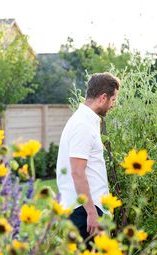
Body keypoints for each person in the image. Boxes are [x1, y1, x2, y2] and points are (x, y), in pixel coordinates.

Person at [56, 72, 120, 246]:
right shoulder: (82, 125)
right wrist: (92, 213)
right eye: (113, 100)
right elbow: (77, 172)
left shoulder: (86, 121)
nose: (113, 105)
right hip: (84, 213)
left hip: (87, 210)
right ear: (103, 97)